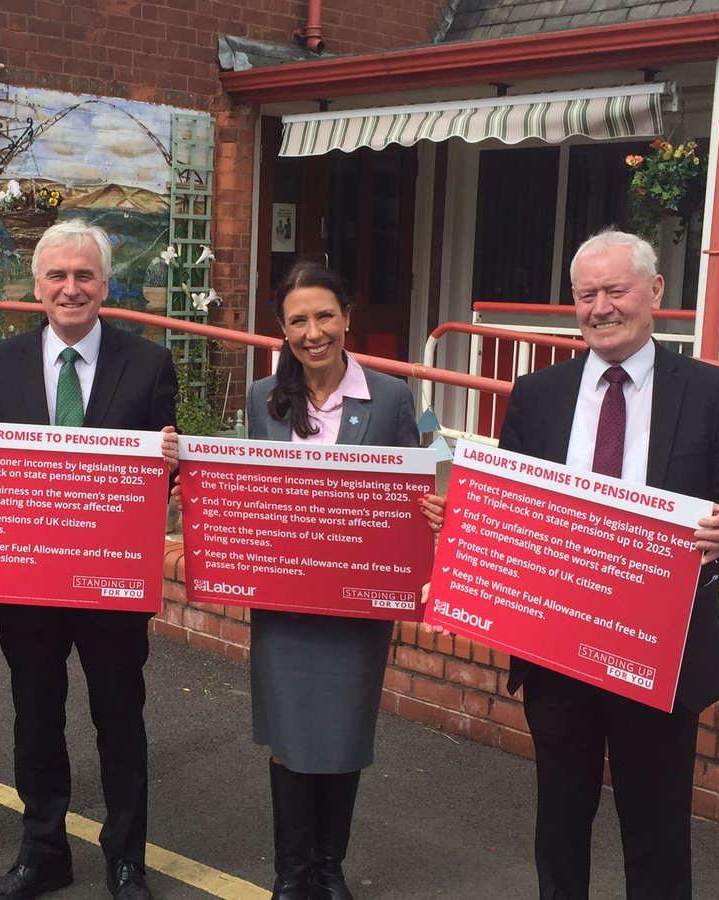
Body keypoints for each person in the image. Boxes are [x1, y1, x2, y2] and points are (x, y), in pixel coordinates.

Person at [494, 229, 719, 897]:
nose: (600, 308)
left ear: (654, 291)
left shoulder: (709, 390)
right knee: (560, 823)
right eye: (585, 295)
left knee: (656, 828)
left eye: (615, 290)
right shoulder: (538, 394)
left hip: (661, 650)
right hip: (558, 648)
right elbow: (508, 503)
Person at [0, 219, 178, 900]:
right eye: (57, 276)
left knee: (120, 721)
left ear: (105, 285)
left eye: (85, 275)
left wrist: (171, 464)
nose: (71, 288)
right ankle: (43, 851)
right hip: (27, 583)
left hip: (109, 586)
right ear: (36, 285)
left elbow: (166, 476)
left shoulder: (149, 362)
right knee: (35, 719)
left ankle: (126, 858)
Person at [228, 260, 435, 900]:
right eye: (298, 320)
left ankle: (328, 868)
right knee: (290, 740)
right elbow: (243, 492)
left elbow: (428, 473)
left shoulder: (395, 398)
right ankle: (291, 874)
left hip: (356, 606)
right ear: (283, 329)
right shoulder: (264, 402)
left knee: (344, 736)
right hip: (286, 605)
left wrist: (437, 510)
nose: (312, 332)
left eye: (324, 316)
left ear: (347, 317)